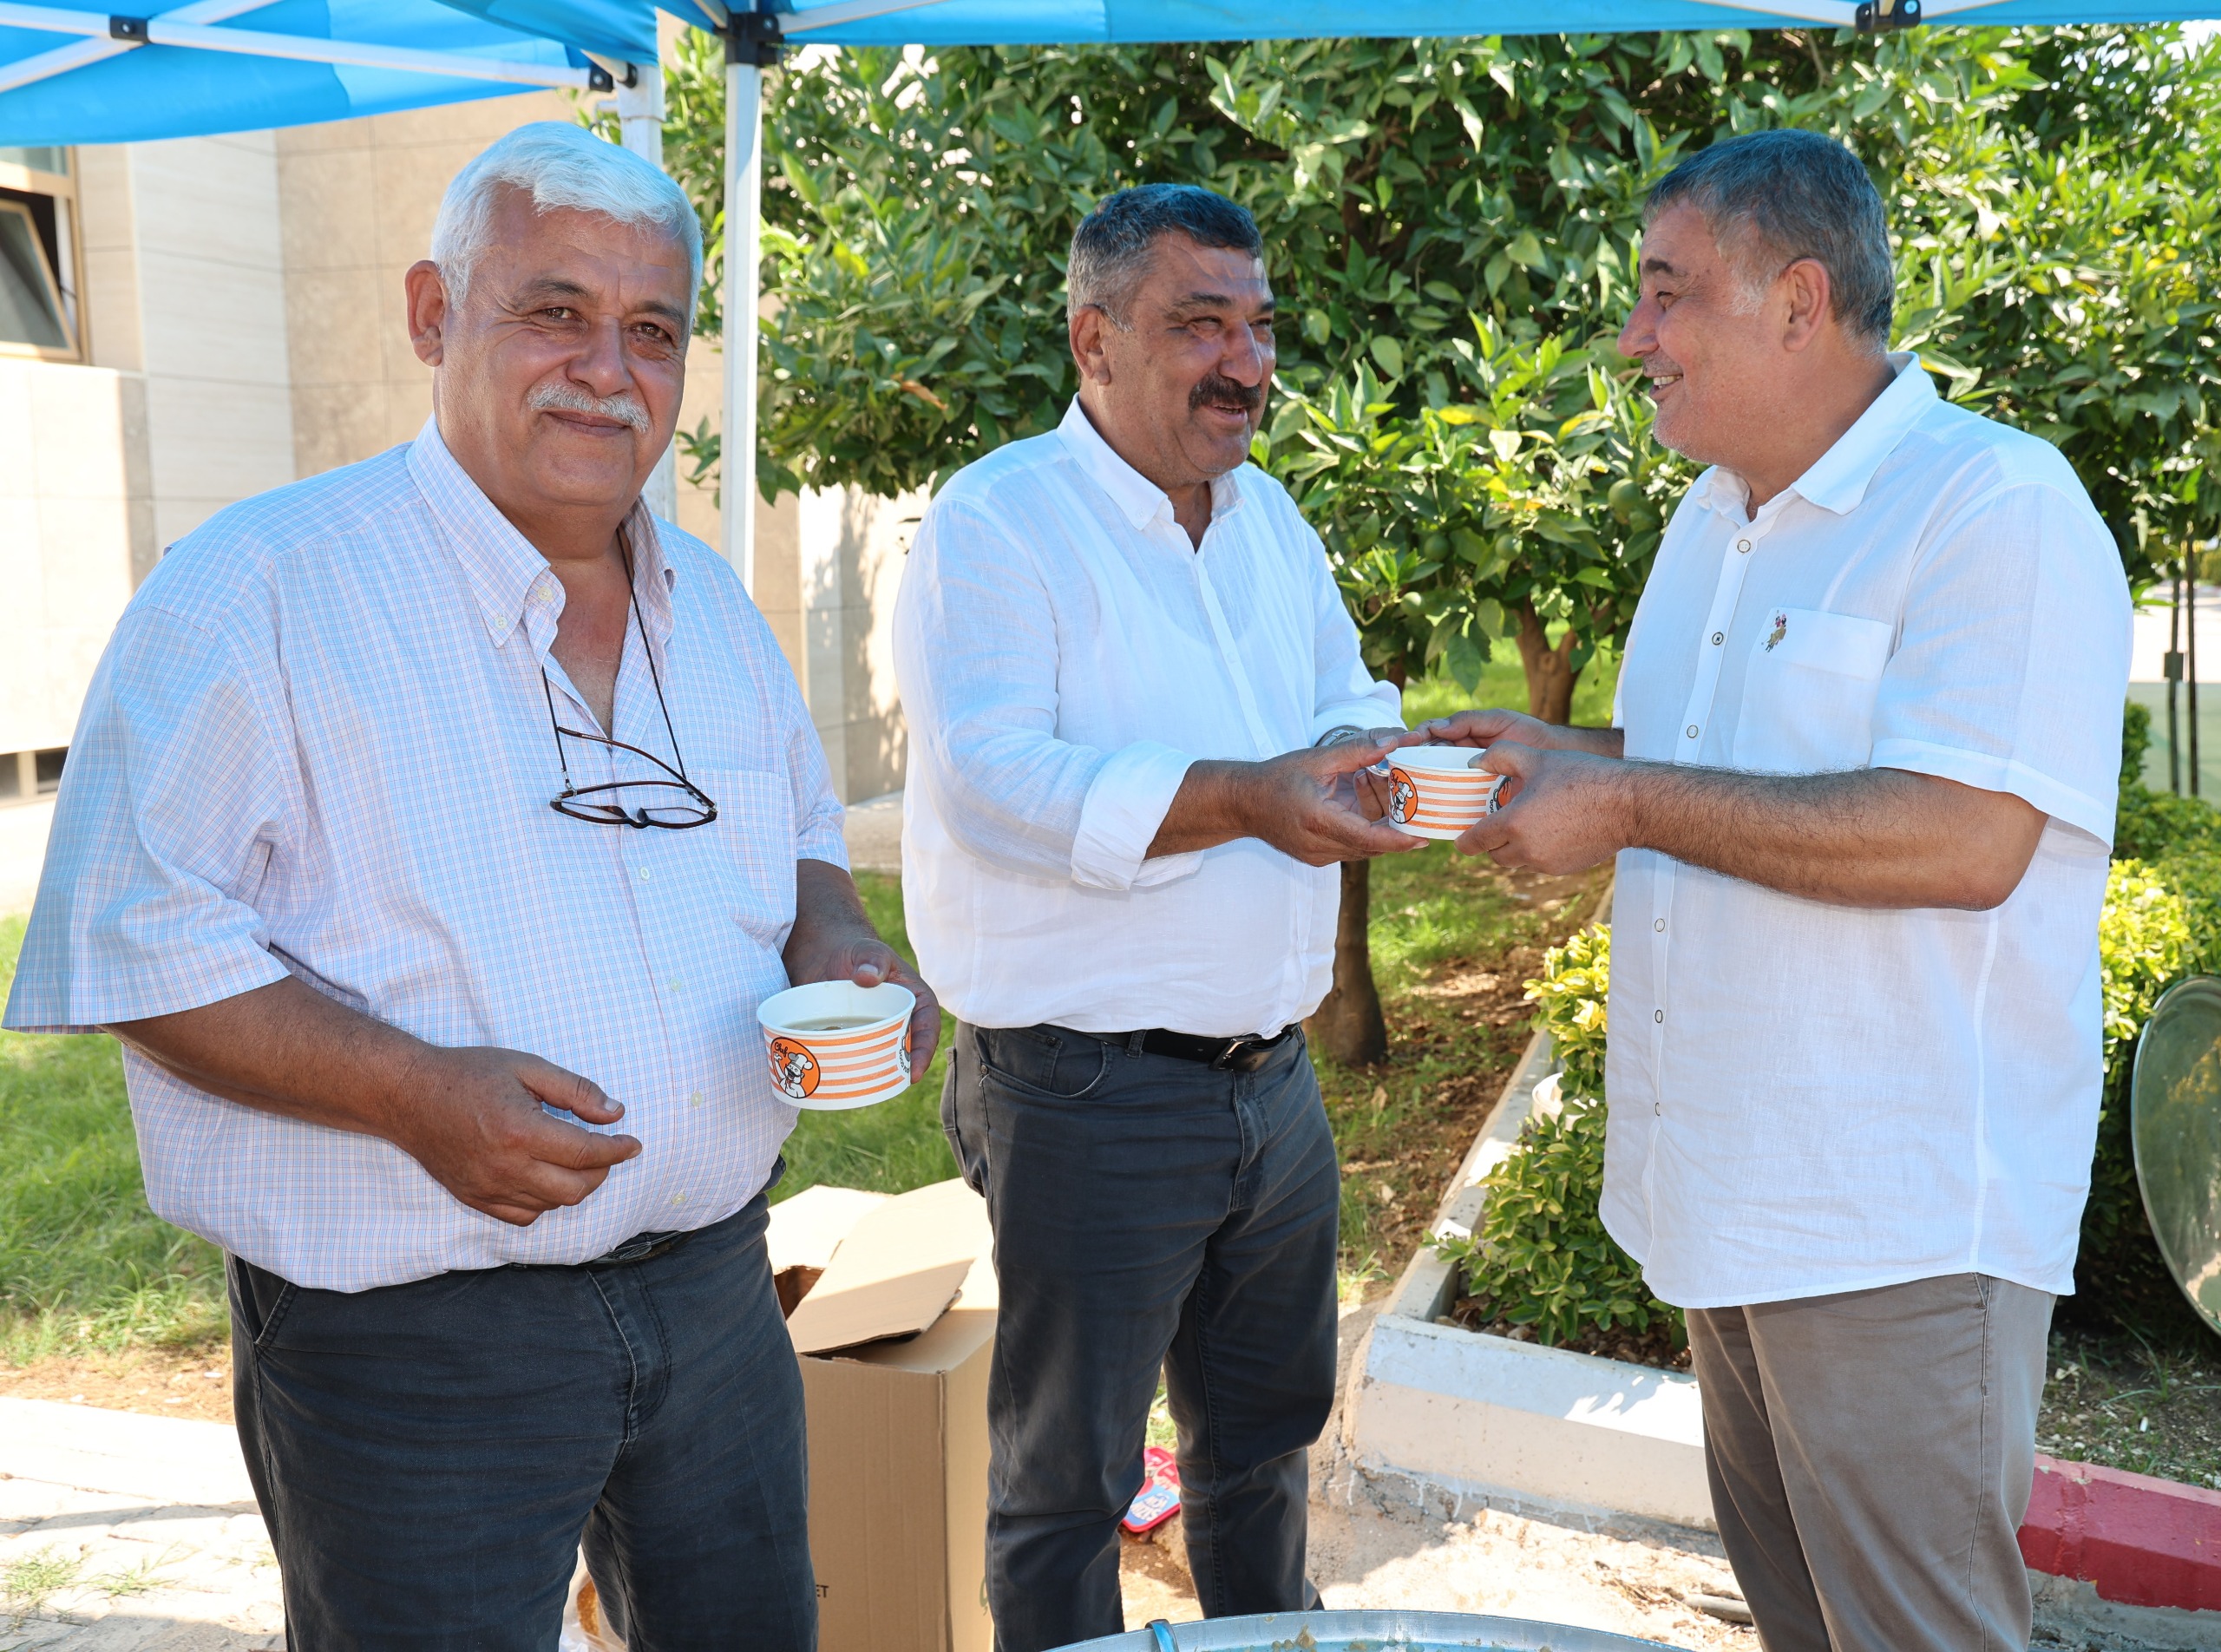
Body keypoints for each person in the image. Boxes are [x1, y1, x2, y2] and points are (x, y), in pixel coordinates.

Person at [3, 121, 938, 1650]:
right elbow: (131, 939)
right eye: (554, 311)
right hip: (415, 1340)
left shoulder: (711, 602)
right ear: (434, 313)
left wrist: (839, 936)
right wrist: (415, 1094)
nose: (606, 370)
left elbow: (799, 832)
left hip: (716, 1293)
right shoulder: (260, 589)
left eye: (651, 330)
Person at [1416, 129, 2130, 1652]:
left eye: (1666, 293)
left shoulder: (1992, 505)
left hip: (1891, 1224)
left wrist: (1622, 803)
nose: (1633, 337)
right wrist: (1563, 755)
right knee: (1804, 1627)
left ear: (1799, 302)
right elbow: (1711, 764)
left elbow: (1965, 835)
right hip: (1730, 1200)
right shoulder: (1714, 516)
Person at [894, 183, 1414, 1652]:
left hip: (1274, 1084)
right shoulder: (999, 521)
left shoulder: (1269, 519)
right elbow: (997, 781)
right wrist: (1249, 798)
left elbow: (1343, 697)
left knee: (1264, 1443)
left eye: (1259, 326)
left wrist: (1383, 761)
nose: (1247, 364)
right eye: (1202, 326)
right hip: (1086, 1092)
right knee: (1070, 1487)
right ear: (1096, 340)